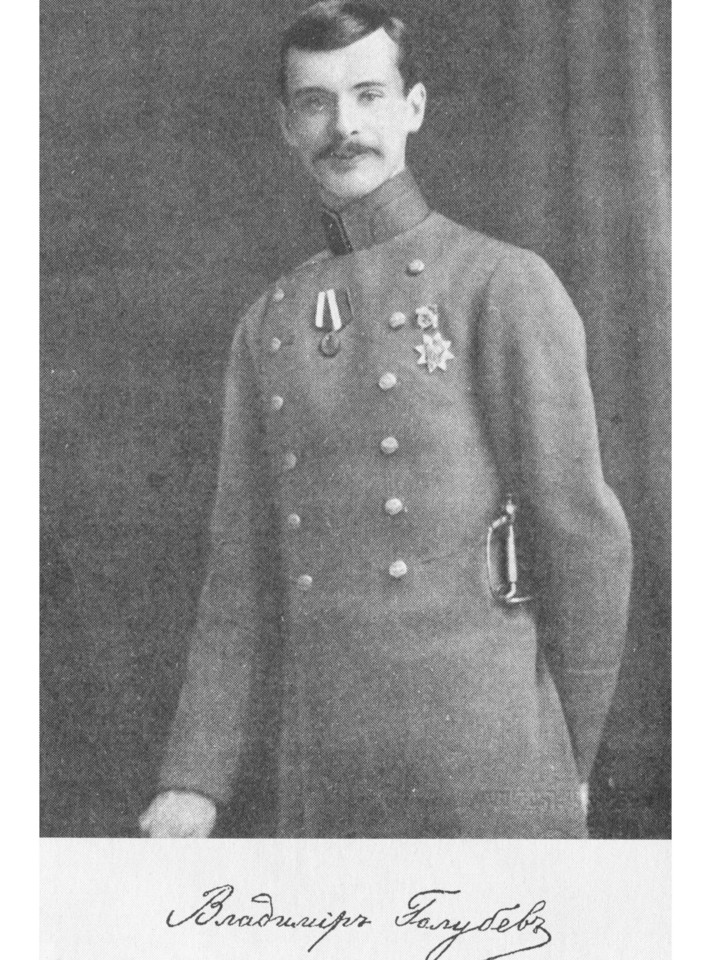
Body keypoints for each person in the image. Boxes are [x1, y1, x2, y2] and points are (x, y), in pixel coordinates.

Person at [139, 0, 632, 839]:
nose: (345, 127)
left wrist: (566, 758)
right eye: (316, 102)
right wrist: (194, 778)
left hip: (489, 767)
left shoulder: (499, 285)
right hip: (327, 775)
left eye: (369, 95)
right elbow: (239, 575)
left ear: (414, 108)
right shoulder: (268, 322)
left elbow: (584, 542)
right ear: (287, 125)